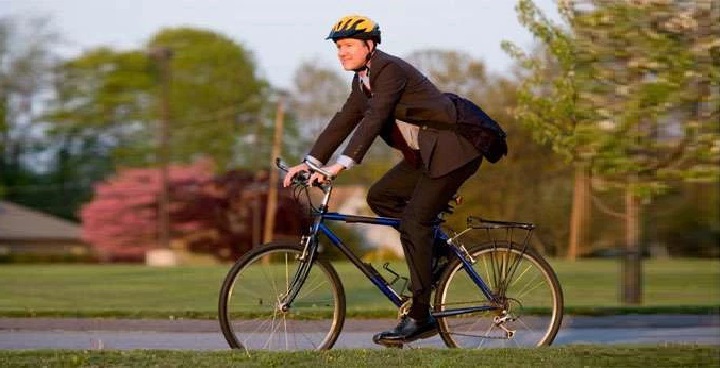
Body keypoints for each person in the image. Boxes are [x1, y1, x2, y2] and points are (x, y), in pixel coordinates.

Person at [282, 14, 483, 346]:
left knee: (415, 223)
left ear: (369, 45)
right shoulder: (362, 81)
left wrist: (339, 166)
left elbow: (374, 119)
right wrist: (308, 163)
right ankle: (439, 253)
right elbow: (343, 120)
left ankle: (420, 317)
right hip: (426, 157)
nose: (341, 53)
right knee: (381, 198)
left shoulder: (389, 70)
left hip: (455, 149)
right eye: (338, 47)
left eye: (348, 45)